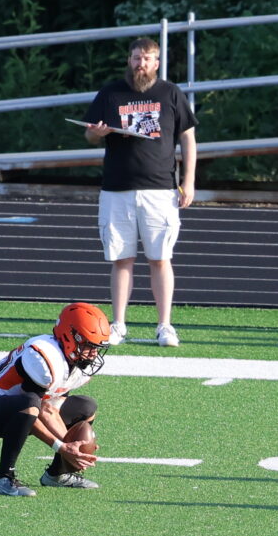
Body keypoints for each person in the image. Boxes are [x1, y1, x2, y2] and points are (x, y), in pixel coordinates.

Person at [82, 36, 196, 347]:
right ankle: (118, 324)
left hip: (160, 190)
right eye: (136, 58)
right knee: (122, 259)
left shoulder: (170, 93)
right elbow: (90, 135)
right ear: (129, 60)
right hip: (117, 189)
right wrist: (97, 133)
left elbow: (188, 138)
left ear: (156, 63)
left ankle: (164, 326)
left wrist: (189, 181)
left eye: (146, 59)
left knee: (160, 258)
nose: (140, 64)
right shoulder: (110, 93)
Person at [0, 302, 111, 496]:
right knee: (29, 402)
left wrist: (73, 447)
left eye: (96, 348)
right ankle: (2, 477)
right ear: (69, 337)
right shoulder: (43, 356)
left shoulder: (73, 362)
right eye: (88, 345)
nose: (93, 354)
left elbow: (49, 409)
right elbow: (32, 409)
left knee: (86, 407)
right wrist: (61, 447)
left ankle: (57, 473)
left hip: (26, 409)